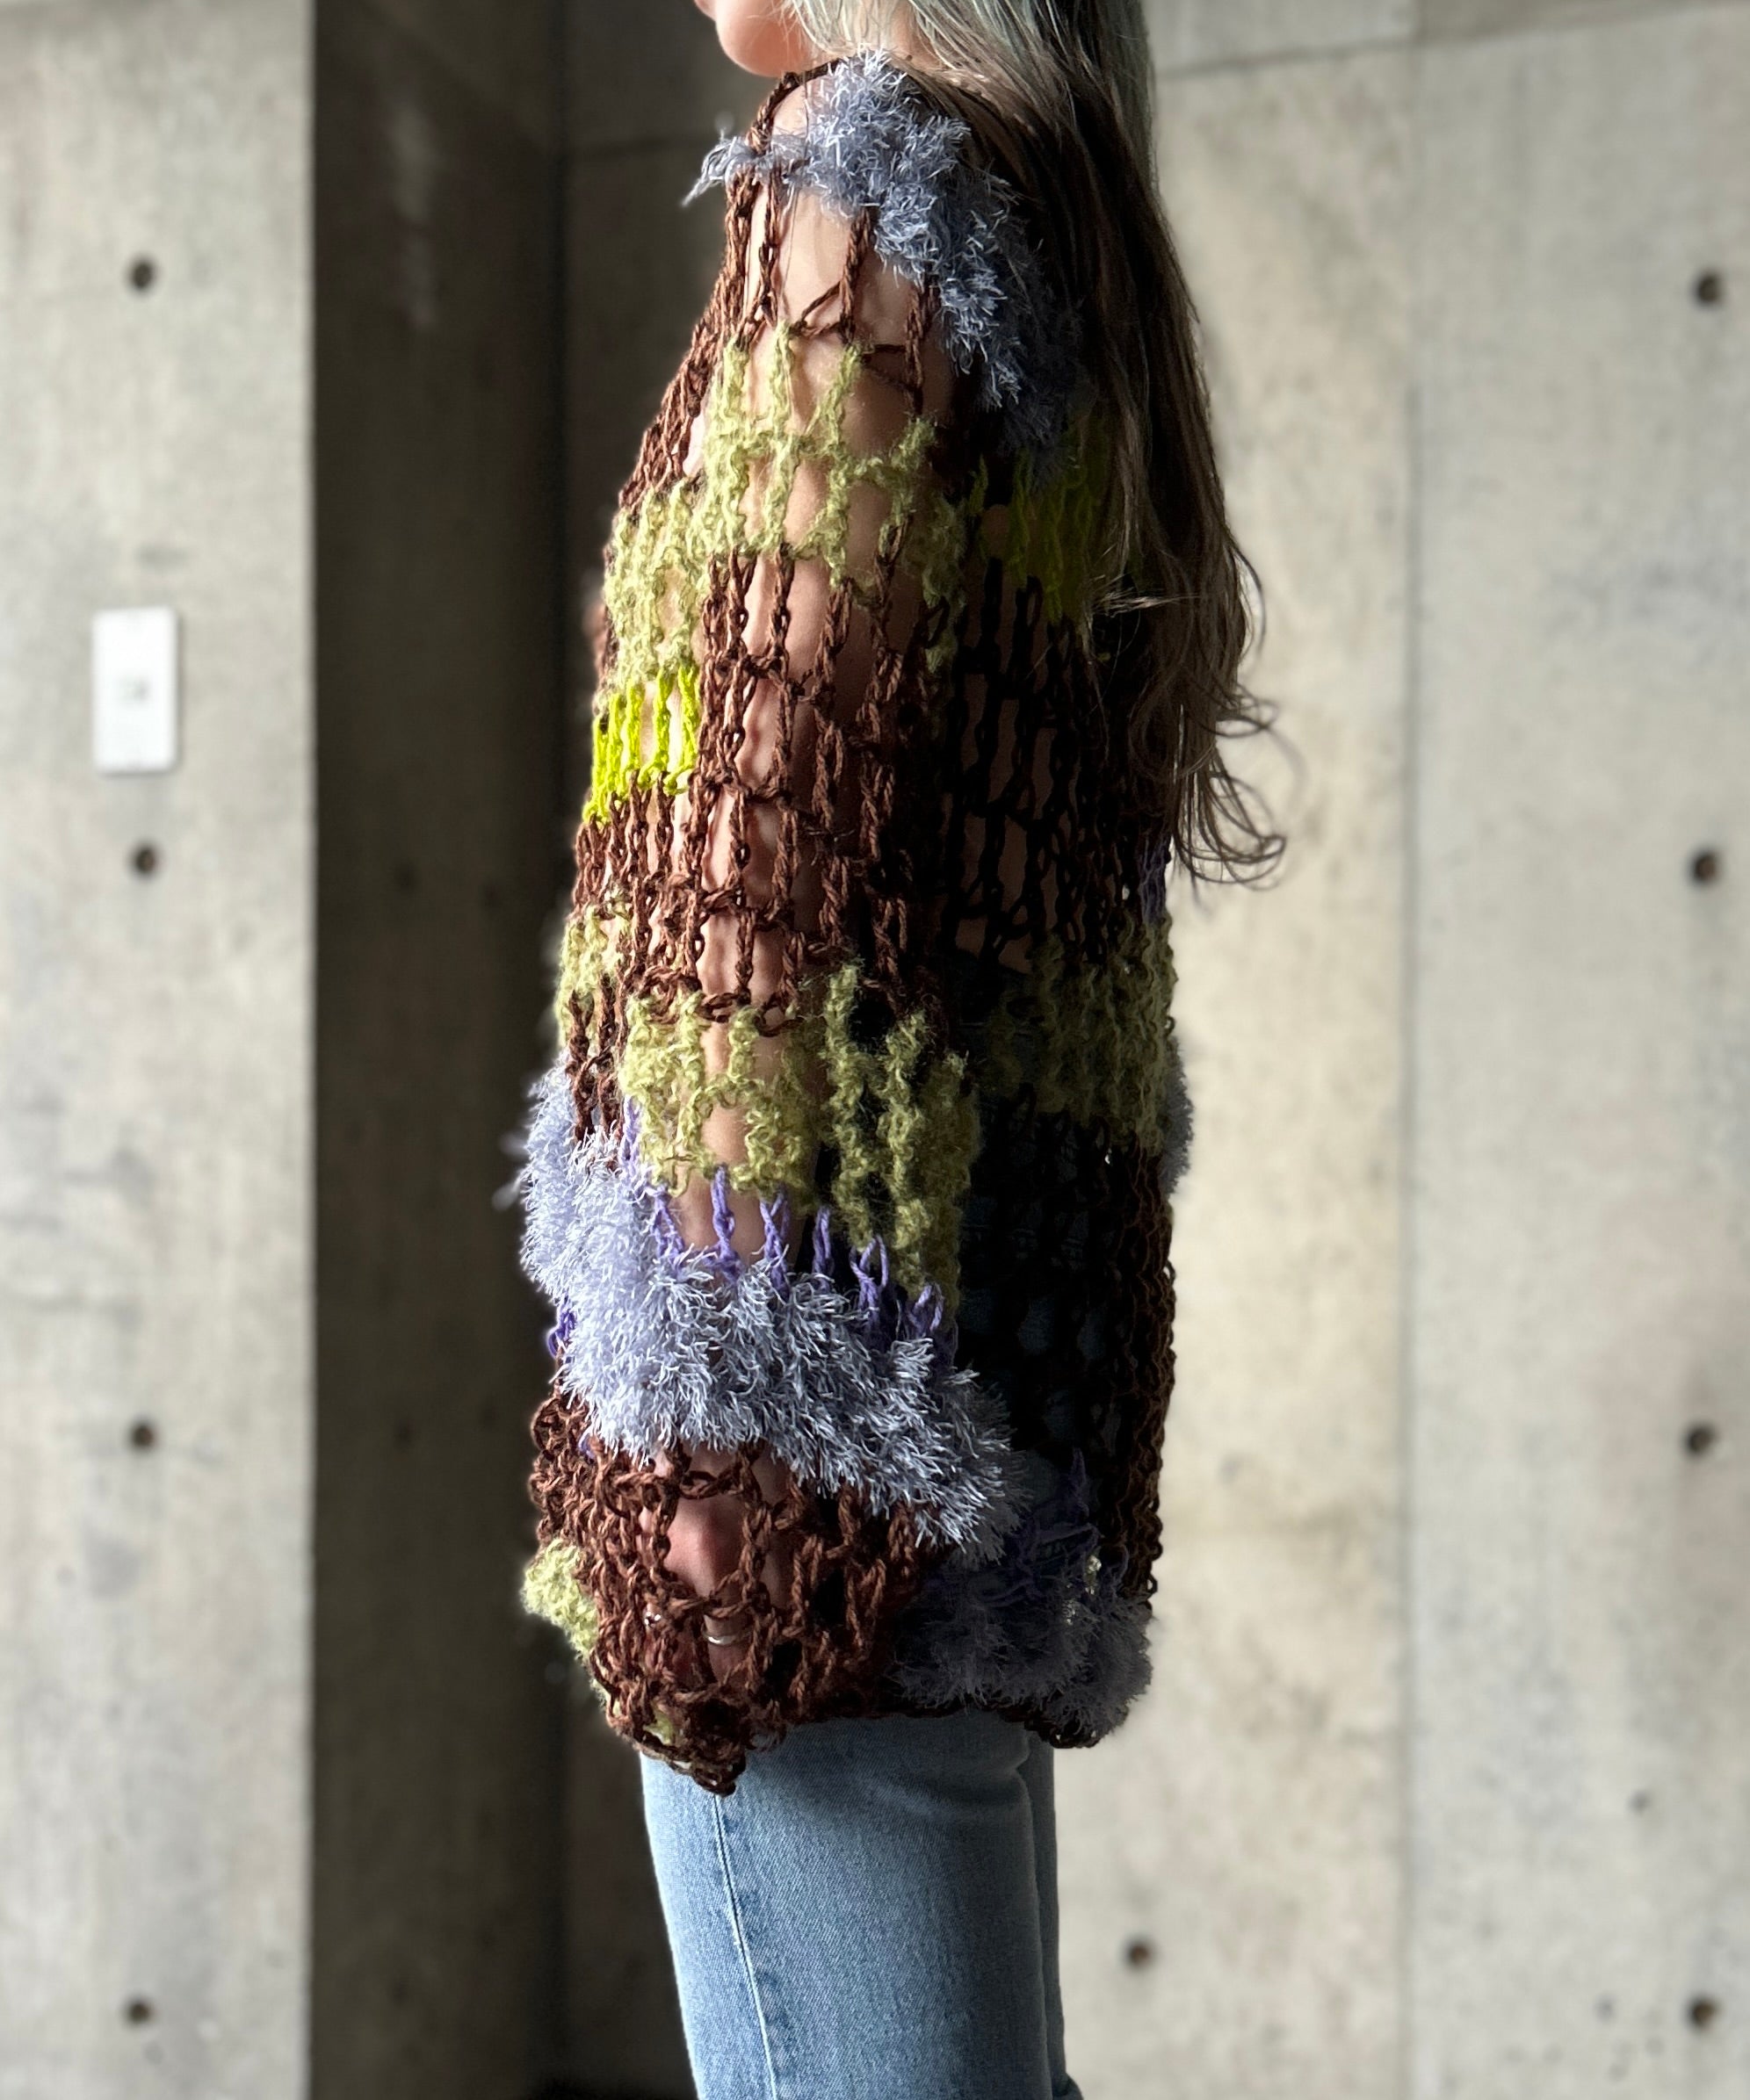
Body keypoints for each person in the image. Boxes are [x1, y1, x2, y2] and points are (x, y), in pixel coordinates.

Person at [514, 2, 1276, 2092]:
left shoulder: (862, 201)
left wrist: (717, 1412)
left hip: (815, 1449)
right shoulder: (1036, 224)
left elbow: (758, 837)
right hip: (965, 1412)